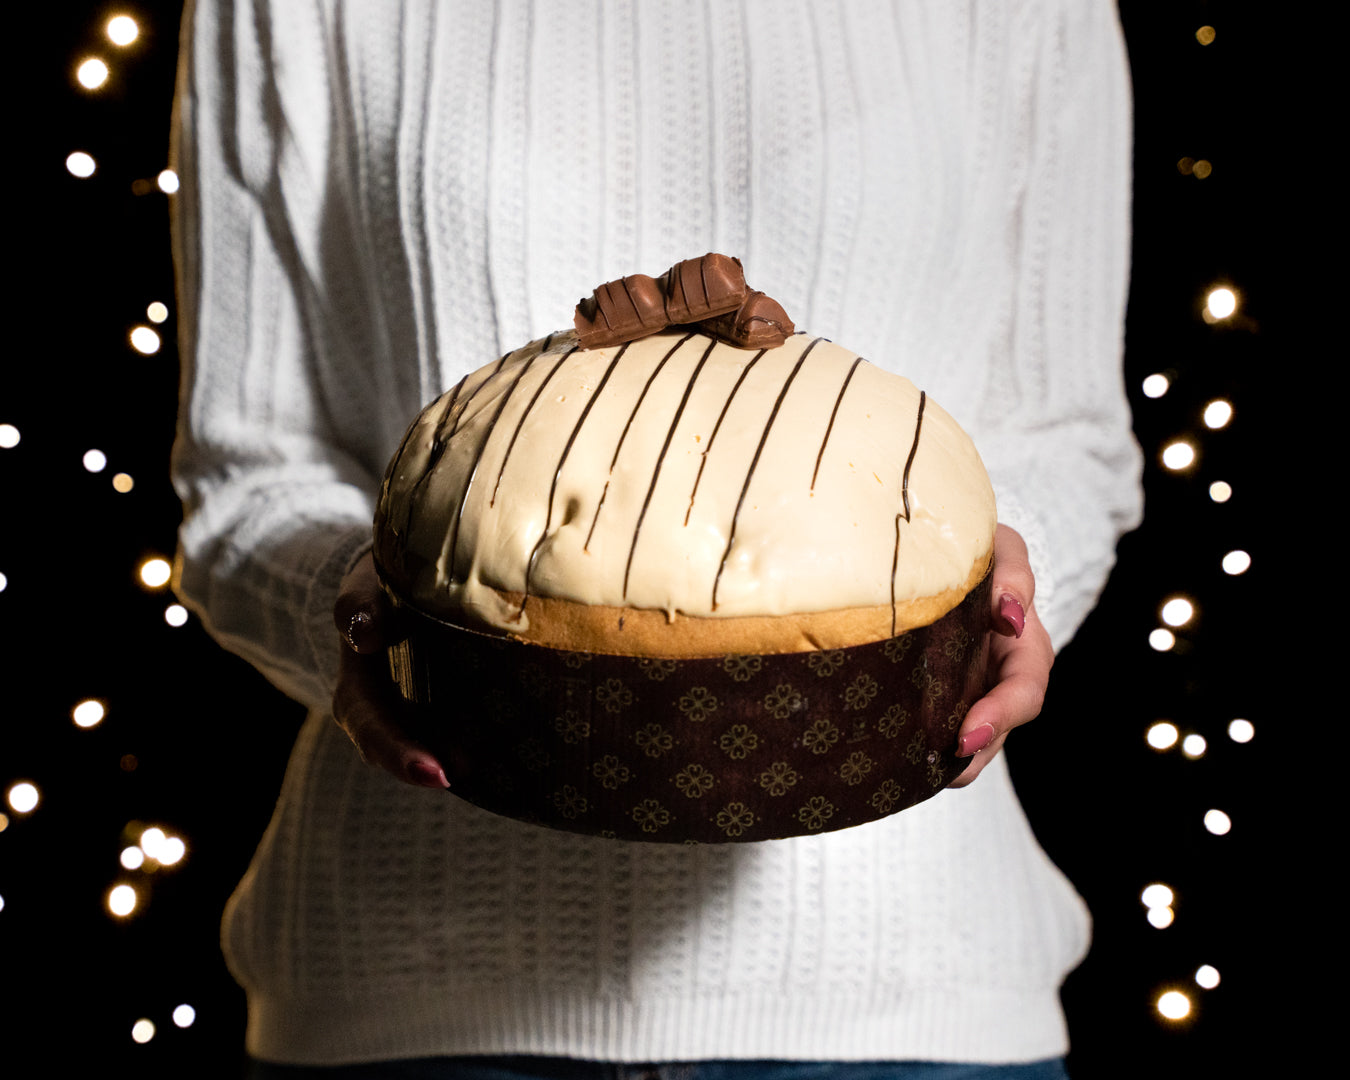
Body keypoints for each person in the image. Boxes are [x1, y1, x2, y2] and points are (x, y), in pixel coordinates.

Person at [170, 0, 1141, 1075]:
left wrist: (1012, 579)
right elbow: (242, 478)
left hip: (911, 1014)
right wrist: (355, 620)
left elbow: (1068, 440)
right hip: (421, 1007)